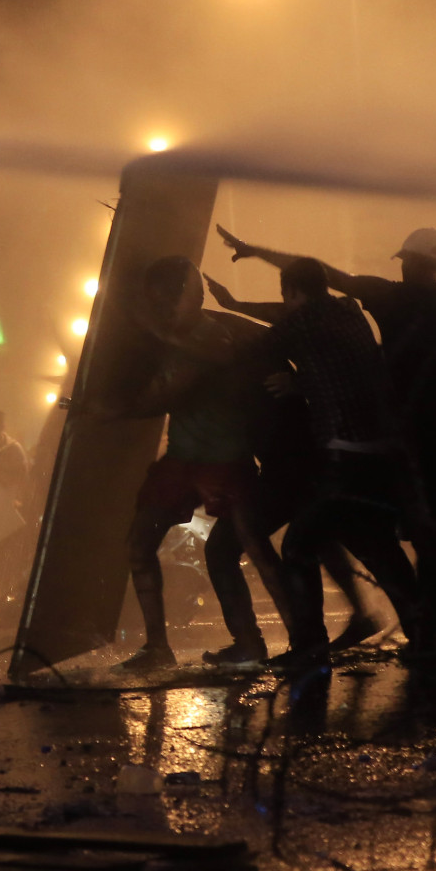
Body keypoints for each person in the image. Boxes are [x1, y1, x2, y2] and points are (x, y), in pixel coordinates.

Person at [213, 226, 436, 653]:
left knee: (411, 539)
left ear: (406, 261)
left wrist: (250, 267)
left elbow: (316, 286)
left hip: (408, 440)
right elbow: (317, 289)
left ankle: (428, 631)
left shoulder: (381, 296)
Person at [206, 257, 427, 668]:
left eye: (285, 298)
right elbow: (331, 352)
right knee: (376, 545)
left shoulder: (300, 326)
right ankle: (424, 632)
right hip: (384, 450)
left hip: (345, 452)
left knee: (299, 545)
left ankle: (310, 647)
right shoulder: (350, 312)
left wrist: (212, 321)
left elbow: (253, 347)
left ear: (291, 291)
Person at [109, 255, 298, 672]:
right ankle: (162, 647)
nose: (160, 310)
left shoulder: (212, 335)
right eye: (155, 302)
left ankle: (291, 642)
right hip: (184, 460)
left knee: (250, 549)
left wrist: (102, 409)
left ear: (186, 297)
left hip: (226, 462)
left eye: (165, 301)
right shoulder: (173, 336)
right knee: (140, 545)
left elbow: (161, 394)